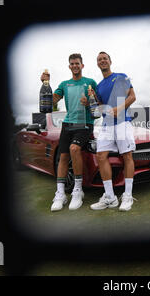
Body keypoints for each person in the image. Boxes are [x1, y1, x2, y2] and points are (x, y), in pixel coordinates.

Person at [41, 53, 98, 212]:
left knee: (74, 149)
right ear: (69, 66)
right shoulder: (65, 84)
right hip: (67, 124)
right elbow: (51, 101)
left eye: (77, 63)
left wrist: (88, 103)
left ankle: (78, 191)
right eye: (72, 64)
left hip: (85, 123)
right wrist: (46, 83)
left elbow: (98, 106)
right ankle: (60, 194)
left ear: (82, 65)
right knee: (63, 156)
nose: (75, 66)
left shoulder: (90, 82)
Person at [90, 51, 137, 212]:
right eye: (99, 60)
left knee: (127, 156)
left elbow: (132, 96)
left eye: (105, 58)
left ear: (110, 61)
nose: (102, 61)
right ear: (97, 64)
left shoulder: (121, 76)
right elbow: (98, 109)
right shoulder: (98, 86)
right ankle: (110, 197)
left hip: (123, 122)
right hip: (106, 125)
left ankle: (128, 195)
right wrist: (90, 101)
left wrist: (120, 108)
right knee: (101, 155)